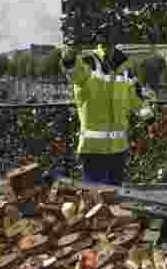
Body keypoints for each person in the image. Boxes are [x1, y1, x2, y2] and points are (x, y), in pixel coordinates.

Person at [60, 43, 156, 186]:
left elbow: (136, 99)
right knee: (96, 197)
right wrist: (69, 60)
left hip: (118, 149)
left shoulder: (126, 70)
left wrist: (149, 118)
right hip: (94, 149)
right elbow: (75, 73)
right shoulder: (89, 62)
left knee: (113, 198)